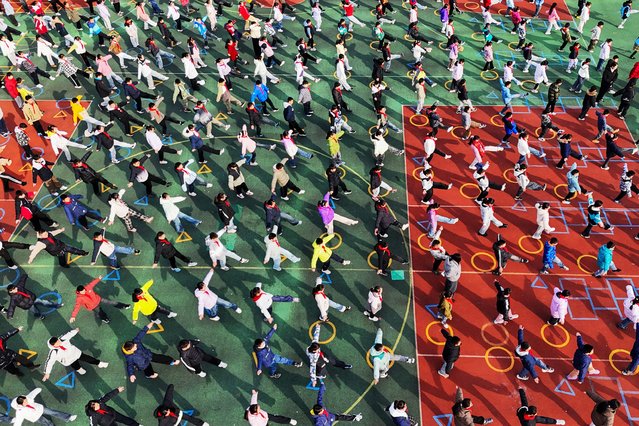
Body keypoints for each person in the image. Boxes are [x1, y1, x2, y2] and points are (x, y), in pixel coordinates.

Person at [43, 328, 109, 381]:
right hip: (68, 360)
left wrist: (75, 331)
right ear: (53, 345)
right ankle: (80, 370)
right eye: (57, 343)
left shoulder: (62, 339)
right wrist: (47, 373)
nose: (59, 343)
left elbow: (69, 334)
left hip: (75, 353)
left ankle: (99, 363)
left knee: (87, 358)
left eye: (58, 341)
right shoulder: (53, 352)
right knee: (75, 365)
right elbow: (49, 362)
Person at [11, 388, 78, 426]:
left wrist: (38, 389)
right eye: (25, 402)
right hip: (35, 417)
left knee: (53, 412)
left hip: (39, 409)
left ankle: (68, 417)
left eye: (26, 400)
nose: (27, 402)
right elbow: (18, 422)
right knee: (46, 422)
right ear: (20, 404)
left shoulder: (26, 398)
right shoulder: (19, 412)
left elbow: (32, 394)